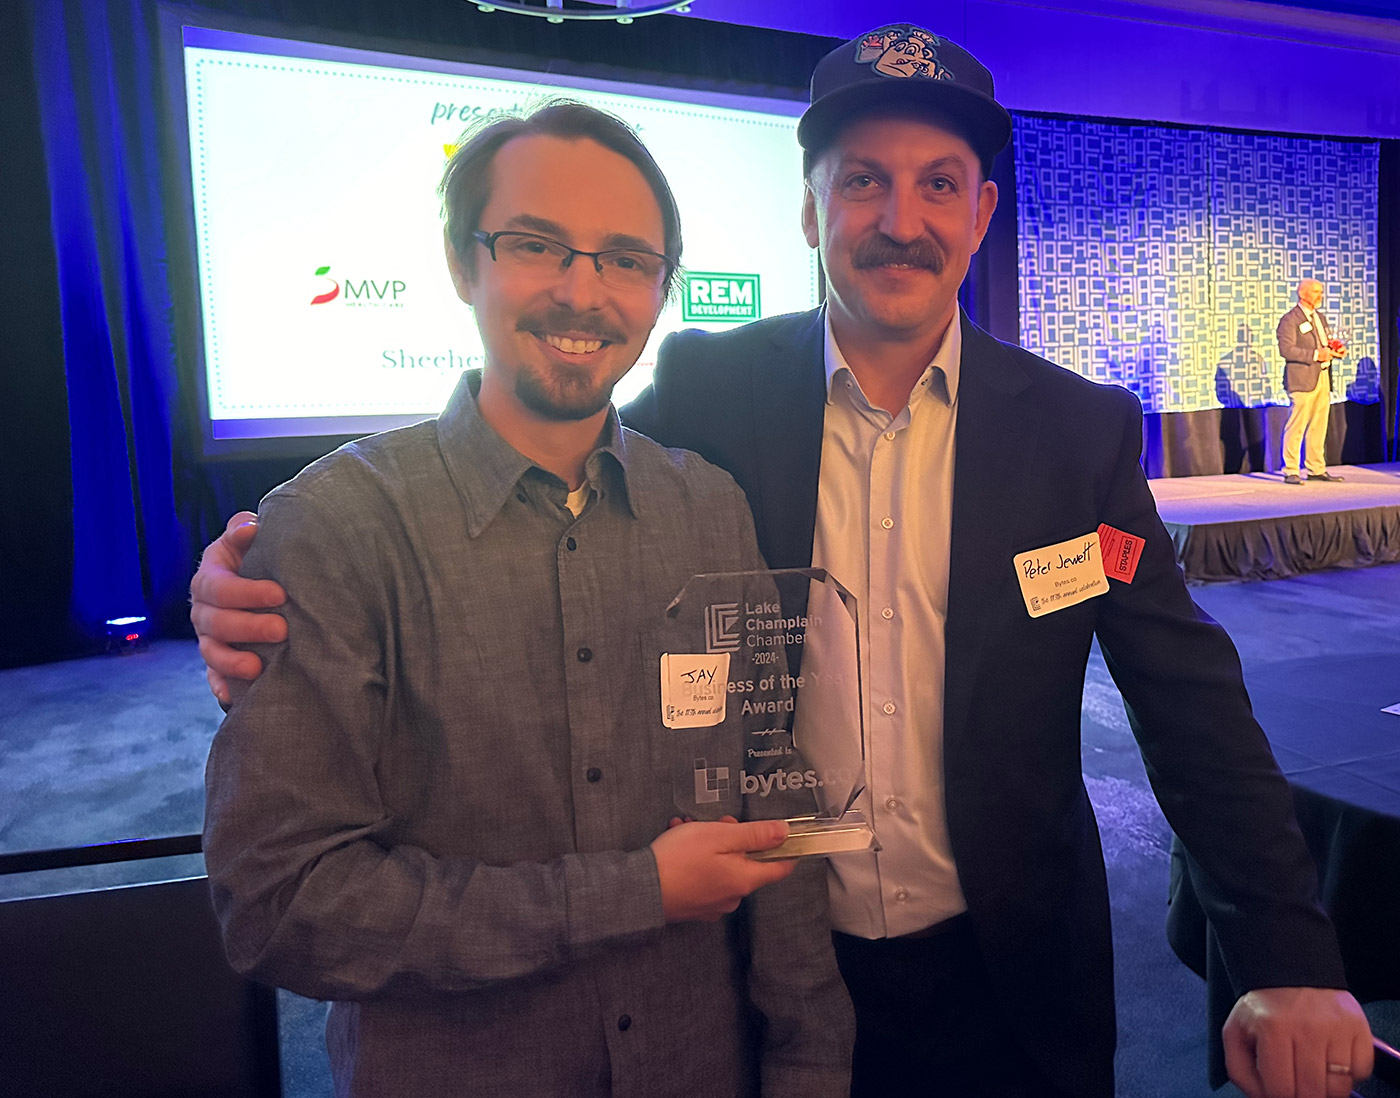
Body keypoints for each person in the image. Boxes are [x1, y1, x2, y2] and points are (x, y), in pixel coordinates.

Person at [192, 27, 1374, 1098]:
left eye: (937, 185)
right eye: (860, 180)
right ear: (808, 211)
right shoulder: (709, 393)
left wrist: (1284, 951)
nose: (897, 218)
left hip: (1011, 973)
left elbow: (1186, 701)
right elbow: (549, 478)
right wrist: (251, 581)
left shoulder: (1076, 434)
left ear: (980, 212)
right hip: (753, 970)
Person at [199, 101, 854, 1098]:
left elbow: (775, 787)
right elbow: (282, 904)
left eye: (625, 260)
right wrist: (632, 893)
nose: (581, 291)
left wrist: (811, 1058)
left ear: (660, 290)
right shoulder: (336, 529)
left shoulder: (709, 510)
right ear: (466, 264)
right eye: (538, 245)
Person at [1278, 278, 1346, 484]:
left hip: (1322, 377)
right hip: (1302, 380)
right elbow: (1286, 350)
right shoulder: (1290, 320)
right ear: (1303, 294)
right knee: (1297, 425)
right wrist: (1317, 354)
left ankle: (1316, 468)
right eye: (1317, 292)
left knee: (1319, 425)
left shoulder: (1320, 318)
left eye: (1321, 292)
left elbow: (1325, 342)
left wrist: (1335, 350)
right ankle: (1291, 469)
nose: (1320, 296)